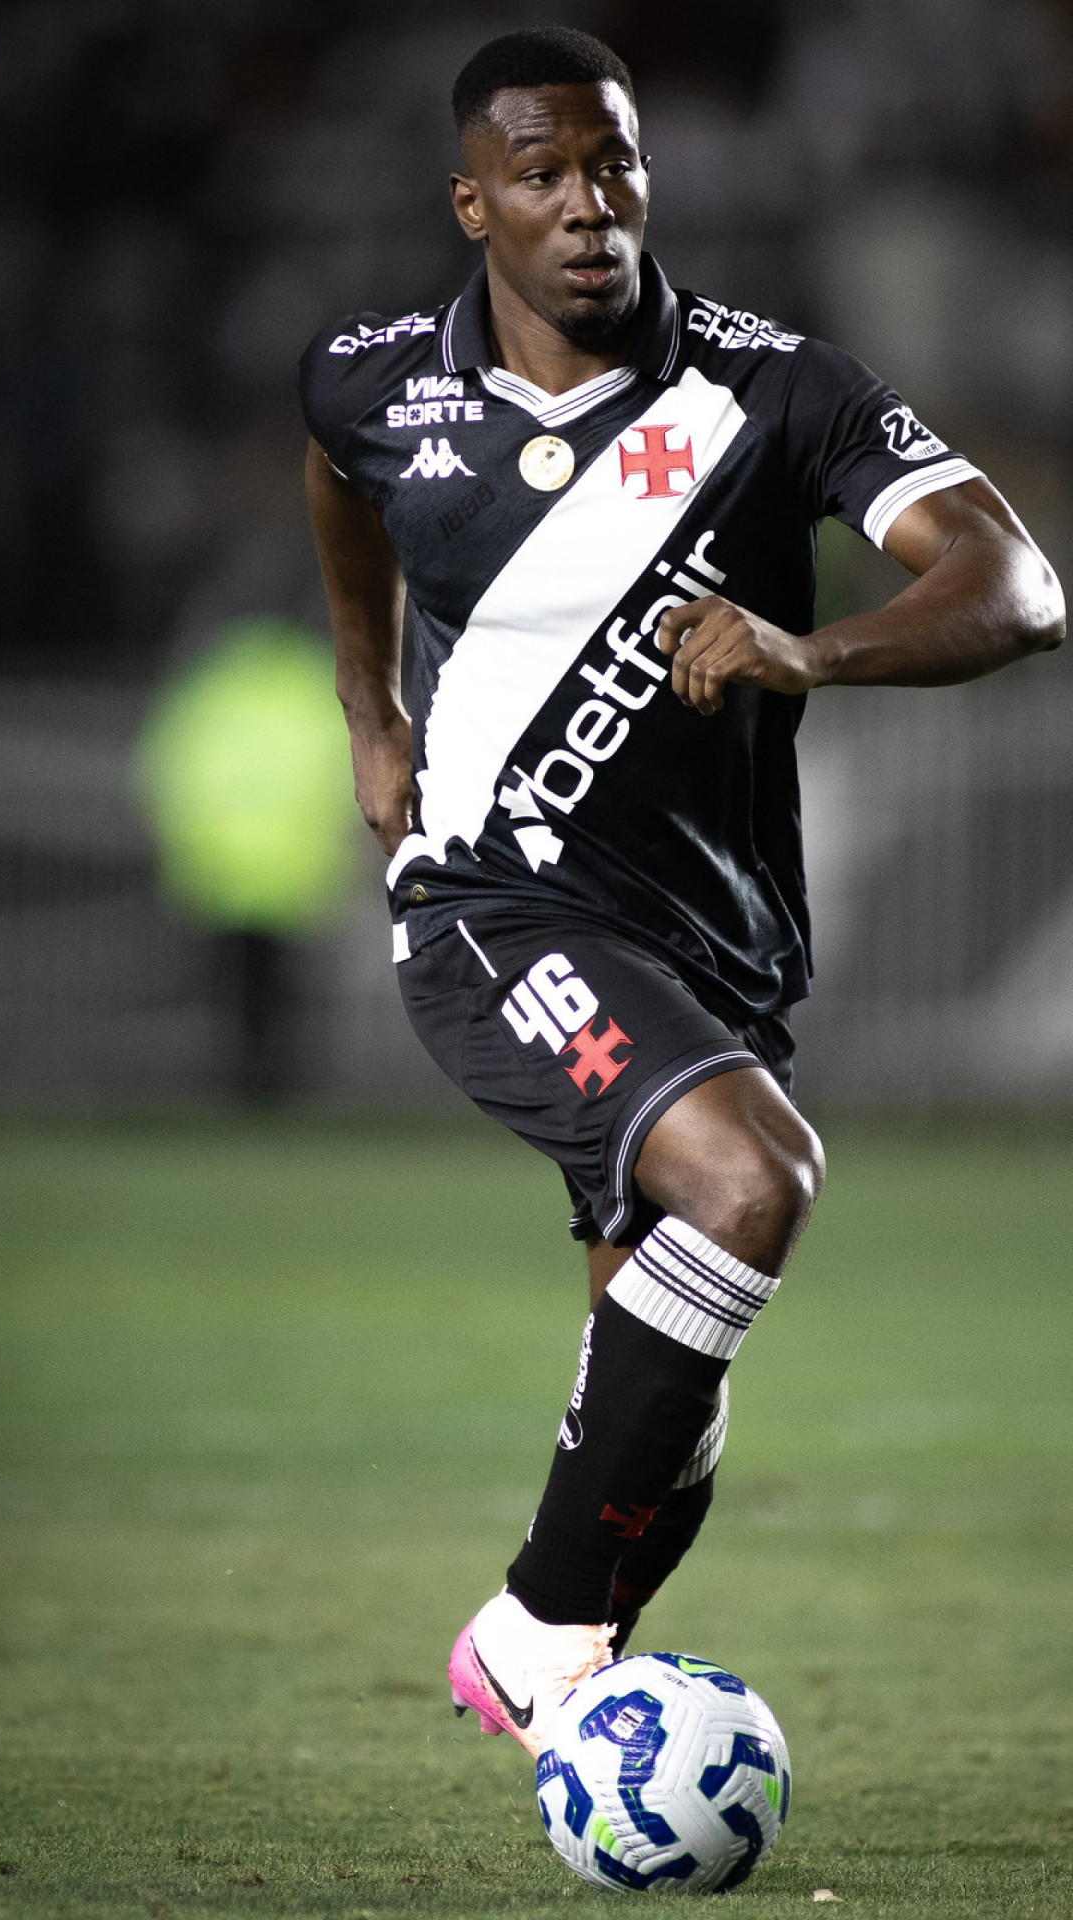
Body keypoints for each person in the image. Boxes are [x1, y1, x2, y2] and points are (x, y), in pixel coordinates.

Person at [299, 26, 1064, 1762]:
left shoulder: (774, 391)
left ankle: (581, 1707)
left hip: (713, 949)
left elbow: (1018, 585)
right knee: (752, 1175)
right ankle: (523, 1642)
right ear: (472, 201)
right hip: (492, 908)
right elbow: (340, 476)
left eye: (616, 165)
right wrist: (370, 703)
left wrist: (814, 645)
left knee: (651, 1396)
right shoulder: (371, 380)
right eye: (546, 175)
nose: (590, 207)